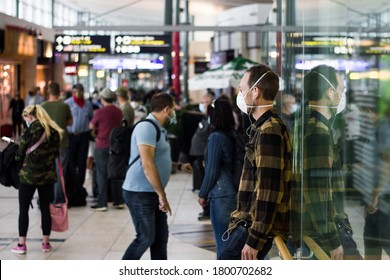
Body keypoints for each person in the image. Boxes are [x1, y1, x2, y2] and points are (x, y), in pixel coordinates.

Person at [219, 64, 292, 260]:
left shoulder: (269, 131)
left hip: (252, 228)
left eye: (242, 89)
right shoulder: (263, 127)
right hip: (248, 224)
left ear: (255, 92)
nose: (240, 94)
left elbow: (270, 189)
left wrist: (255, 239)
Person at [291, 64, 362, 260]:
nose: (342, 95)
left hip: (312, 227)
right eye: (341, 90)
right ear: (330, 92)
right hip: (324, 231)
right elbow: (317, 190)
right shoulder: (319, 132)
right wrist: (332, 239)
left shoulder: (304, 122)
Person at [121, 93, 192, 260]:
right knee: (145, 238)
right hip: (139, 192)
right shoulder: (146, 127)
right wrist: (162, 195)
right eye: (173, 110)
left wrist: (179, 166)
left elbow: (160, 158)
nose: (174, 114)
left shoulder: (158, 128)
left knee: (160, 239)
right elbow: (147, 163)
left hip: (151, 191)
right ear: (167, 109)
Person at [10, 105, 63, 254]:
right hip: (47, 176)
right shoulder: (53, 131)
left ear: (30, 117)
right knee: (45, 209)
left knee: (23, 209)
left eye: (25, 118)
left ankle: (21, 245)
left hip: (28, 176)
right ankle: (45, 244)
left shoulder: (29, 130)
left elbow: (20, 155)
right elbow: (56, 153)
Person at [198, 97, 237, 258]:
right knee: (231, 242)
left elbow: (212, 170)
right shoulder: (232, 134)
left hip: (221, 194)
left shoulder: (216, 137)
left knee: (223, 244)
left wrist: (202, 194)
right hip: (232, 191)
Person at [89, 88, 123, 211]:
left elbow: (91, 126)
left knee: (102, 174)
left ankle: (102, 203)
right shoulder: (119, 112)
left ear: (102, 99)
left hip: (102, 145)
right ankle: (119, 200)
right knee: (115, 173)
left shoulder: (100, 112)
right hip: (116, 146)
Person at [41, 81, 73, 204]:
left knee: (46, 170)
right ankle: (58, 199)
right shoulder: (64, 106)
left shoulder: (42, 107)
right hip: (62, 143)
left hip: (46, 144)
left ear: (48, 91)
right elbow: (70, 123)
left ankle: (45, 198)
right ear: (59, 92)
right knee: (60, 172)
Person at [64, 83, 94, 206]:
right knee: (71, 162)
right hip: (71, 136)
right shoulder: (68, 103)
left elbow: (91, 118)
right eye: (77, 91)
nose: (79, 93)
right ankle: (72, 185)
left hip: (83, 136)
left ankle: (79, 186)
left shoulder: (87, 104)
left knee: (82, 162)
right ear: (73, 92)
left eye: (81, 90)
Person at [189, 92, 214, 220]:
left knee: (206, 181)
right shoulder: (205, 117)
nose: (202, 105)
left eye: (205, 102)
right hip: (199, 152)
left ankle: (208, 209)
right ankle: (206, 209)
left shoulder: (211, 118)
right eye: (202, 102)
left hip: (203, 153)